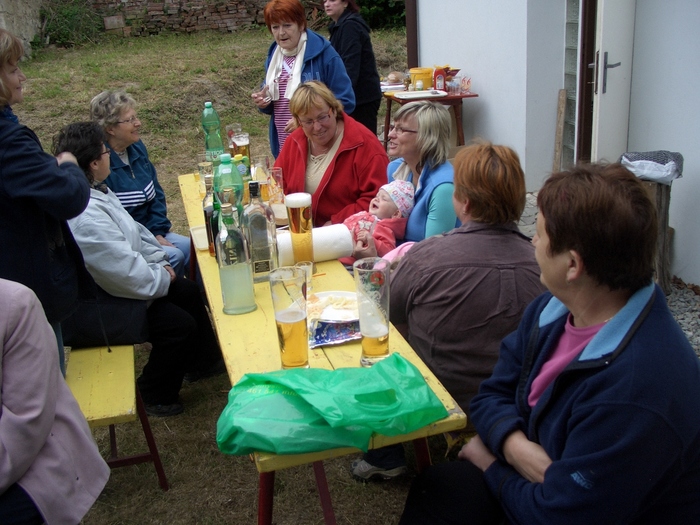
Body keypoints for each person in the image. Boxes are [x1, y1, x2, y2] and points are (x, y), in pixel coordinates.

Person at [400, 163, 700, 524]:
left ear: (573, 265)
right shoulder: (552, 310)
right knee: (437, 487)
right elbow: (490, 395)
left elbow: (561, 514)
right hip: (540, 481)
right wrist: (516, 448)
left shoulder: (637, 388)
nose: (533, 242)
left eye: (539, 234)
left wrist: (490, 461)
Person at [352, 143, 544, 481]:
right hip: (518, 406)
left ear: (464, 202)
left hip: (440, 399)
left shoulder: (427, 256)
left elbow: (381, 312)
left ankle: (384, 453)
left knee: (380, 333)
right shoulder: (543, 264)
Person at [54, 122, 224, 417]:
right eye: (105, 152)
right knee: (177, 325)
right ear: (93, 163)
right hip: (97, 308)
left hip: (118, 288)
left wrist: (161, 261)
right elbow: (122, 274)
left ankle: (204, 362)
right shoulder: (85, 217)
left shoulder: (96, 191)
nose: (110, 156)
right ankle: (153, 393)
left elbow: (137, 233)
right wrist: (160, 277)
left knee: (186, 290)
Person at [0, 28, 90, 375]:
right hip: (24, 292)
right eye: (12, 69)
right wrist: (68, 165)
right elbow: (70, 196)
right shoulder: (10, 143)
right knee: (42, 391)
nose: (21, 77)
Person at [0, 278, 110, 525]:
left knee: (178, 311)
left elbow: (25, 423)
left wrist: (158, 271)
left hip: (23, 463)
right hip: (90, 304)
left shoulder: (14, 304)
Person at [90, 89, 191, 278]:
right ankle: (169, 294)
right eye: (130, 120)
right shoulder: (102, 164)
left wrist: (157, 232)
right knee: (174, 256)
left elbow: (156, 194)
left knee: (191, 248)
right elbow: (117, 220)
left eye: (136, 117)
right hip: (131, 242)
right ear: (110, 128)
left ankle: (203, 294)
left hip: (153, 231)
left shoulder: (136, 147)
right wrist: (149, 240)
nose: (138, 123)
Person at [275, 80, 388, 225]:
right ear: (298, 121)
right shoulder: (295, 141)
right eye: (308, 122)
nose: (317, 127)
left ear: (334, 110)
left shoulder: (365, 145)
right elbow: (277, 184)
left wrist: (335, 223)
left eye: (322, 117)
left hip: (347, 232)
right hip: (300, 229)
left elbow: (377, 201)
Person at [252, 0, 355, 158]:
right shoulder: (274, 57)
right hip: (284, 145)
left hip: (319, 147)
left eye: (287, 25)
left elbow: (346, 101)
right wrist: (264, 102)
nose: (281, 33)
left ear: (301, 25)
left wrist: (307, 121)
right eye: (275, 27)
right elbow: (276, 105)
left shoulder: (325, 54)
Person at [386, 100, 457, 242]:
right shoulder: (395, 169)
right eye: (393, 127)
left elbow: (434, 250)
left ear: (427, 137)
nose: (390, 135)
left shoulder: (443, 188)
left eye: (401, 129)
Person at [325, 0, 382, 134]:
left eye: (332, 0)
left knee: (363, 141)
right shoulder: (338, 26)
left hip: (361, 99)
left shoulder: (350, 26)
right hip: (354, 96)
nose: (327, 4)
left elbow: (350, 65)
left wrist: (341, 97)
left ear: (345, 3)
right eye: (325, 0)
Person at [340, 179, 414, 265]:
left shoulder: (385, 229)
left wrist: (372, 241)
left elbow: (389, 251)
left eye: (384, 198)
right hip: (337, 251)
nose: (376, 199)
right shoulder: (363, 214)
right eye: (377, 196)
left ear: (396, 213)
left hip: (351, 264)